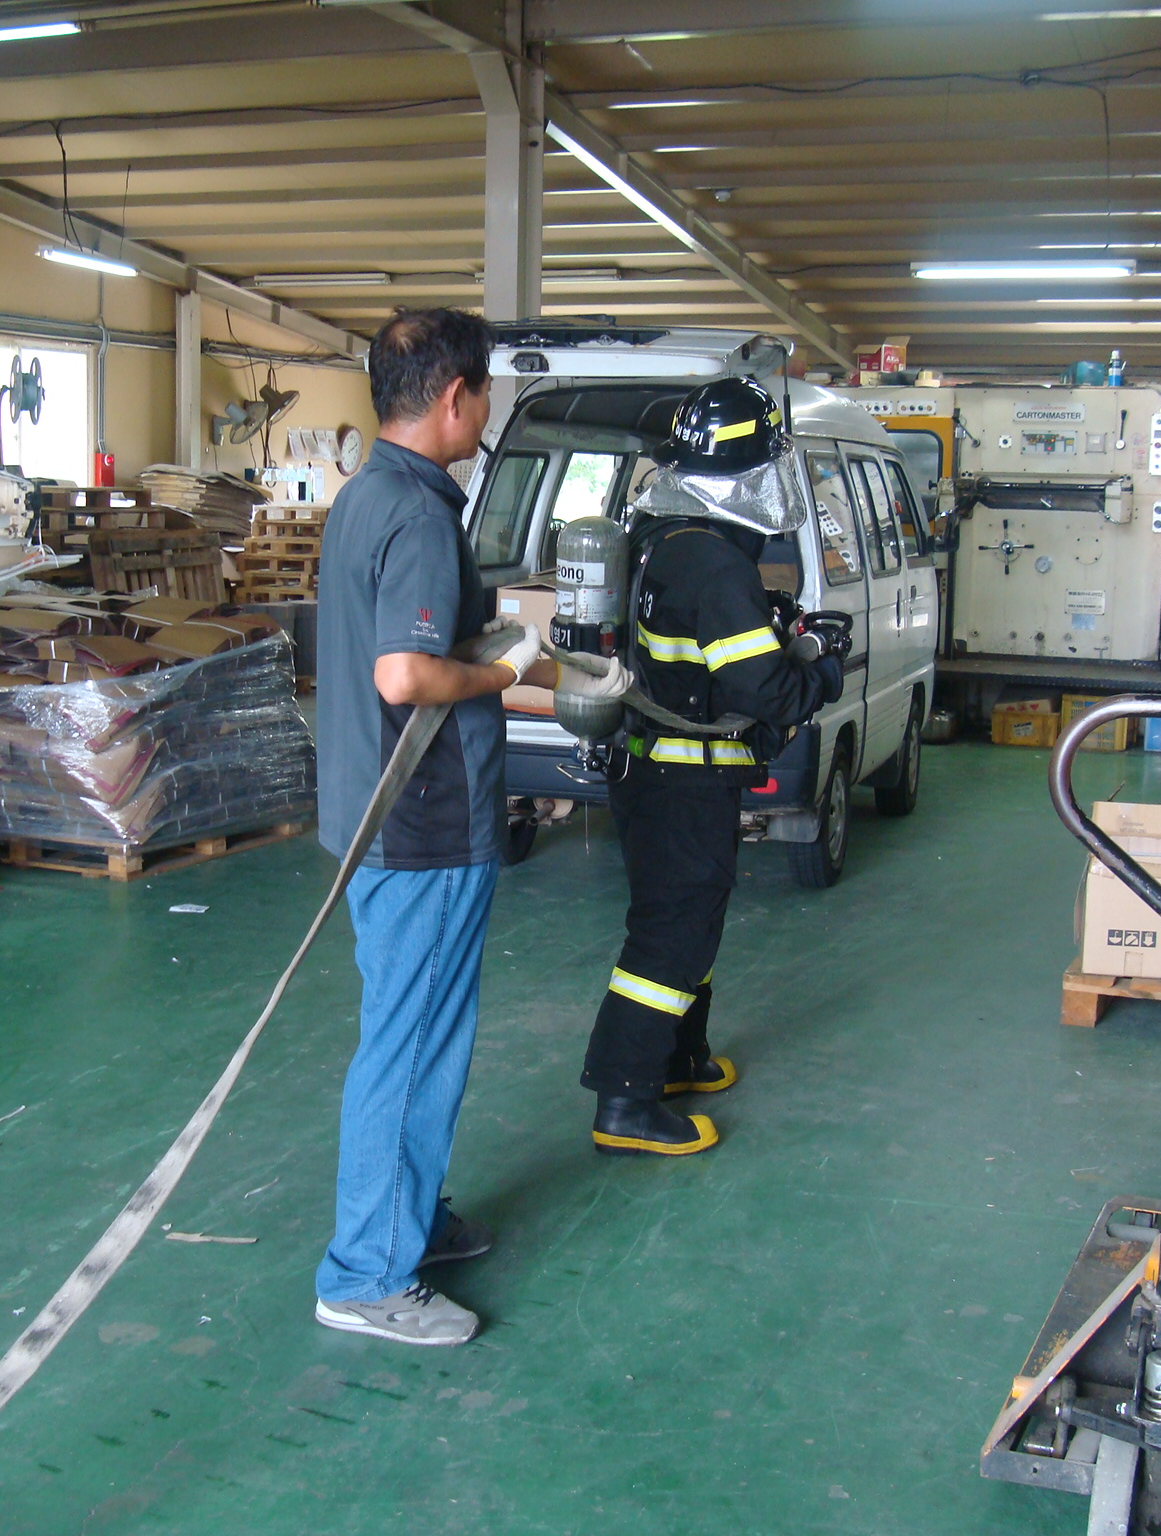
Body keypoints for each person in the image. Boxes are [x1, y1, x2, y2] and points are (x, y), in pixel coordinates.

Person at [314, 307, 629, 1345]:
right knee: (411, 1044)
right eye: (486, 390)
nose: (488, 407)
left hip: (375, 815)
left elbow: (410, 641)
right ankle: (366, 1274)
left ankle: (405, 1219)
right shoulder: (414, 513)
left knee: (413, 1031)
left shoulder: (367, 496)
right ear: (456, 397)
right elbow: (403, 674)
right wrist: (502, 674)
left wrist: (506, 652)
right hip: (423, 824)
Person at [582, 376, 843, 1157]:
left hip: (652, 769)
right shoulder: (716, 564)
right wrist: (822, 666)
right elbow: (766, 689)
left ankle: (678, 1059)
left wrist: (775, 631)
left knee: (688, 918)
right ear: (751, 473)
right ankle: (625, 1102)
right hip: (684, 779)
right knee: (672, 930)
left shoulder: (658, 538)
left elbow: (708, 656)